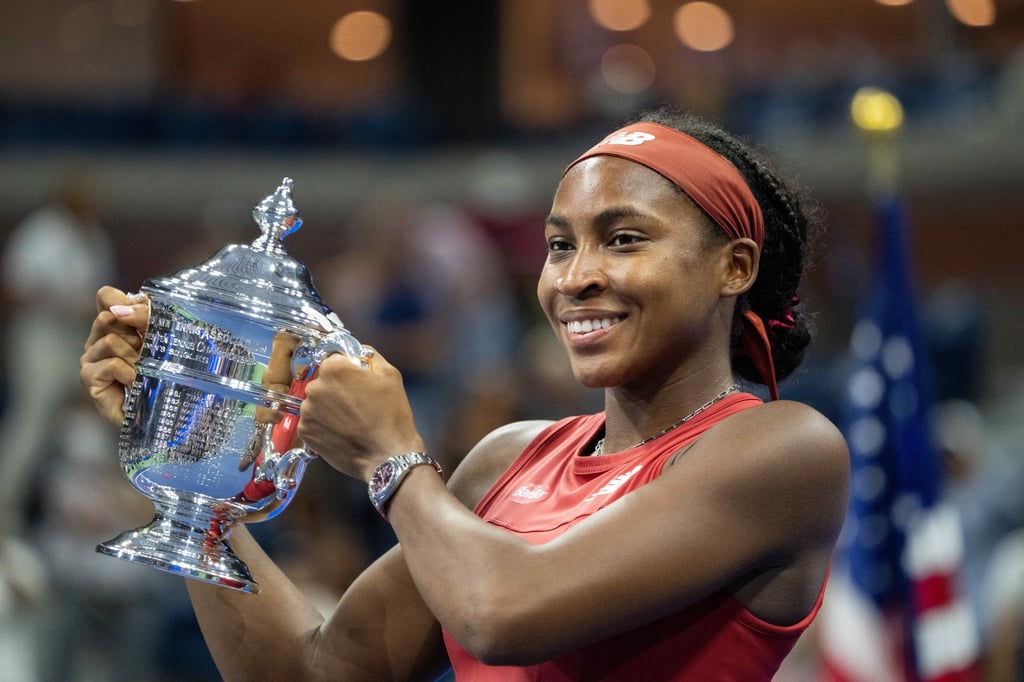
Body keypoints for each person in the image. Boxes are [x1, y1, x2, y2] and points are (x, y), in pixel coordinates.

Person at [79, 107, 849, 681]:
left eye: (623, 238)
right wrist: (190, 453)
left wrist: (391, 457)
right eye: (559, 245)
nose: (575, 276)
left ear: (734, 266)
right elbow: (322, 673)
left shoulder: (785, 450)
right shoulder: (506, 458)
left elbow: (503, 616)